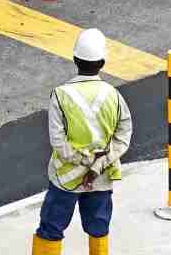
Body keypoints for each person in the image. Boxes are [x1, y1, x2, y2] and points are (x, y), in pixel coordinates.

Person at [31, 29, 132, 255]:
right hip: (101, 176)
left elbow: (58, 142)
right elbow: (123, 136)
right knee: (98, 228)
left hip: (65, 177)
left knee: (51, 228)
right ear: (103, 62)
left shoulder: (60, 95)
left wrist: (82, 160)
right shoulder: (113, 96)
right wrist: (96, 166)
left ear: (75, 59)